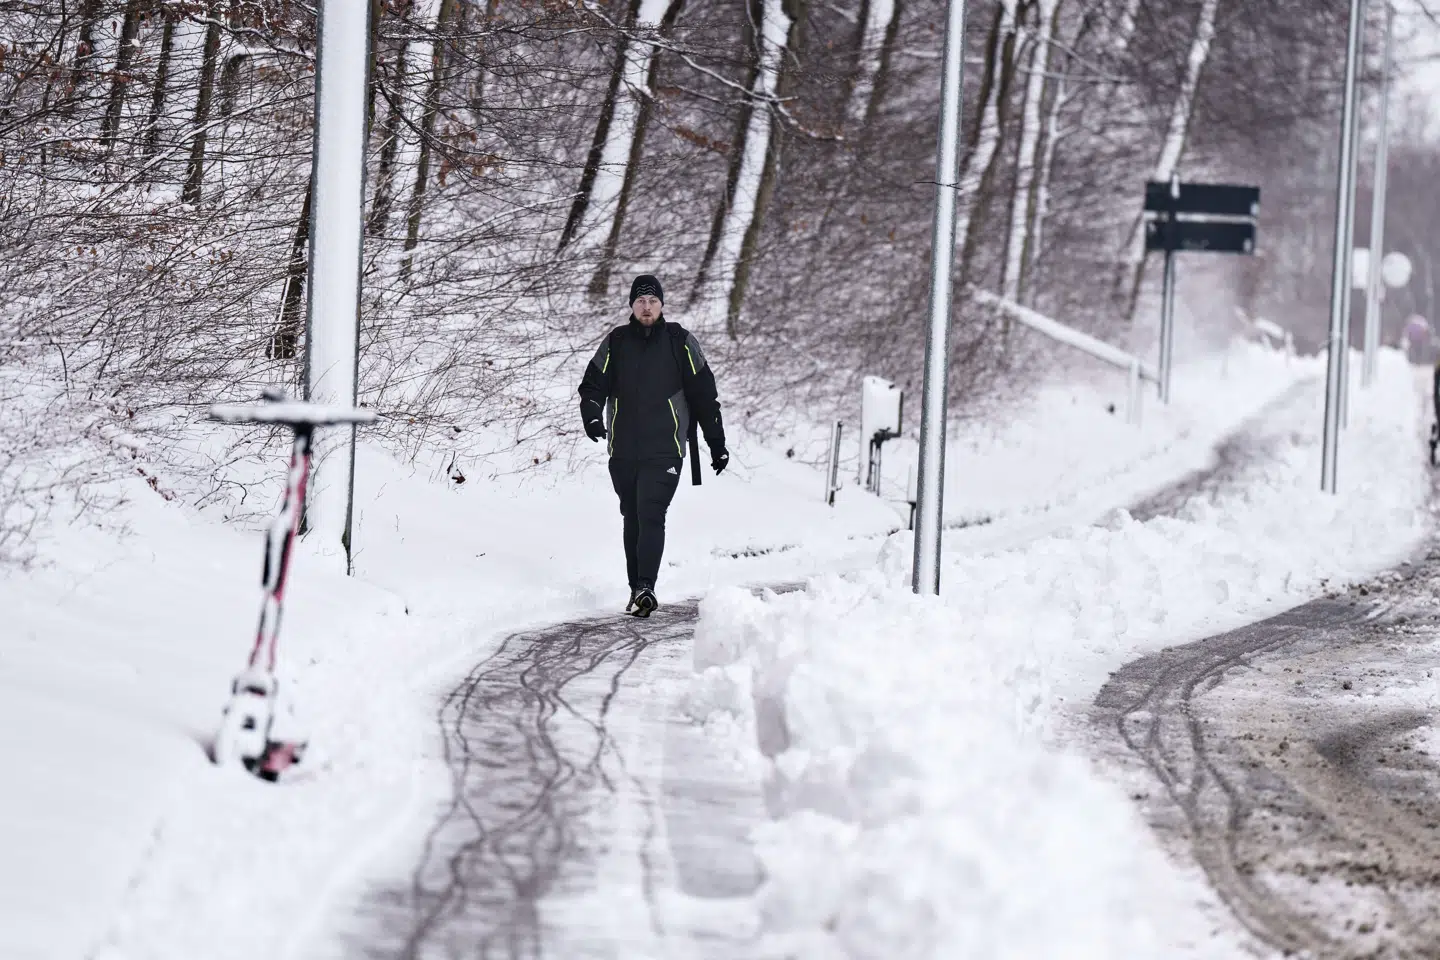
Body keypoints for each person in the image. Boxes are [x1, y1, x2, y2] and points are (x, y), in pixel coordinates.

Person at [578, 275, 727, 617]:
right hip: (624, 449)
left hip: (666, 448)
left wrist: (716, 443)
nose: (647, 307)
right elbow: (592, 386)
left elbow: (705, 395)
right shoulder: (616, 341)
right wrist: (592, 418)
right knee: (632, 515)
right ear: (632, 305)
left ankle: (646, 584)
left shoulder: (680, 342)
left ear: (662, 305)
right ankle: (637, 589)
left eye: (653, 301)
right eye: (640, 301)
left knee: (651, 512)